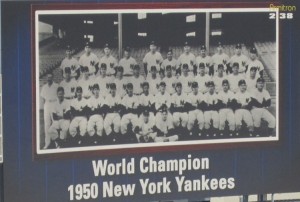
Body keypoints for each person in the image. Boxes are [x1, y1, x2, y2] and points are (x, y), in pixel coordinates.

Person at [40, 73, 59, 149]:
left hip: (54, 104)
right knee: (47, 124)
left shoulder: (56, 86)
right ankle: (47, 142)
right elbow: (43, 98)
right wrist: (45, 105)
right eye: (48, 77)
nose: (49, 79)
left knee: (55, 123)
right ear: (46, 78)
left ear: (53, 77)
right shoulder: (44, 87)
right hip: (47, 104)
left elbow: (59, 96)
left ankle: (57, 142)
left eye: (50, 77)